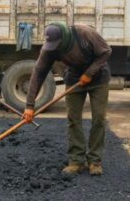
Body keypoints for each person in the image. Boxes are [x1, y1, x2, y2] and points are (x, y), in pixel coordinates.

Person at [23, 23, 112, 175]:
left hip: (98, 78)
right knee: (73, 119)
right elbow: (38, 73)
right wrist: (30, 105)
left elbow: (106, 52)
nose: (55, 48)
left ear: (65, 38)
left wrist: (90, 73)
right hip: (74, 78)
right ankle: (76, 161)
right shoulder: (50, 48)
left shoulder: (85, 33)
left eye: (57, 45)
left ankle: (95, 160)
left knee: (98, 118)